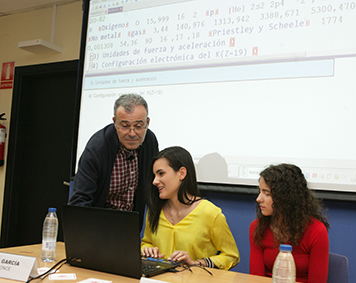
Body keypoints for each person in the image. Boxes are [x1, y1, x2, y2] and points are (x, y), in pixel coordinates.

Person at [141, 146, 240, 270]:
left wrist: (198, 263)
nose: (155, 181)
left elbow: (232, 256)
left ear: (181, 173)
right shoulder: (154, 209)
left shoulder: (210, 213)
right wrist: (147, 250)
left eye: (161, 173)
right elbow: (146, 242)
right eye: (154, 175)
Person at [68, 94, 158, 229]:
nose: (132, 133)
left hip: (130, 225)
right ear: (115, 122)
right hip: (96, 225)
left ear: (147, 122)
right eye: (125, 126)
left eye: (139, 126)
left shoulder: (149, 141)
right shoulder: (97, 147)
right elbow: (79, 200)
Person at [249, 164, 329, 283]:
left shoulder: (316, 231)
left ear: (286, 197)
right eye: (260, 191)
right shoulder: (257, 227)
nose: (259, 198)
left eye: (266, 193)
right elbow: (256, 279)